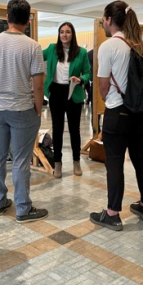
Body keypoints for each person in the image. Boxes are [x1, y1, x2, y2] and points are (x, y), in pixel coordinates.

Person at [89, 1, 143, 231]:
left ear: (108, 19)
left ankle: (112, 213)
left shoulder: (109, 46)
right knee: (140, 157)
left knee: (114, 162)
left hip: (118, 112)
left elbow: (103, 85)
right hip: (140, 113)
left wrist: (109, 101)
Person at [0, 0, 48, 224]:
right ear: (28, 20)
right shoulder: (32, 46)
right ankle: (23, 208)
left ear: (7, 17)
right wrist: (37, 109)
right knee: (22, 160)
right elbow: (38, 85)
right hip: (22, 109)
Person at [43, 22, 91, 178]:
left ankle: (76, 161)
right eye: (62, 32)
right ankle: (58, 163)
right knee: (57, 129)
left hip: (73, 91)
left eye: (68, 32)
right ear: (59, 34)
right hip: (56, 91)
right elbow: (35, 54)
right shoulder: (51, 49)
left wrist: (80, 79)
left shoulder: (81, 52)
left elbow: (88, 74)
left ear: (73, 34)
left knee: (74, 129)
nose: (64, 35)